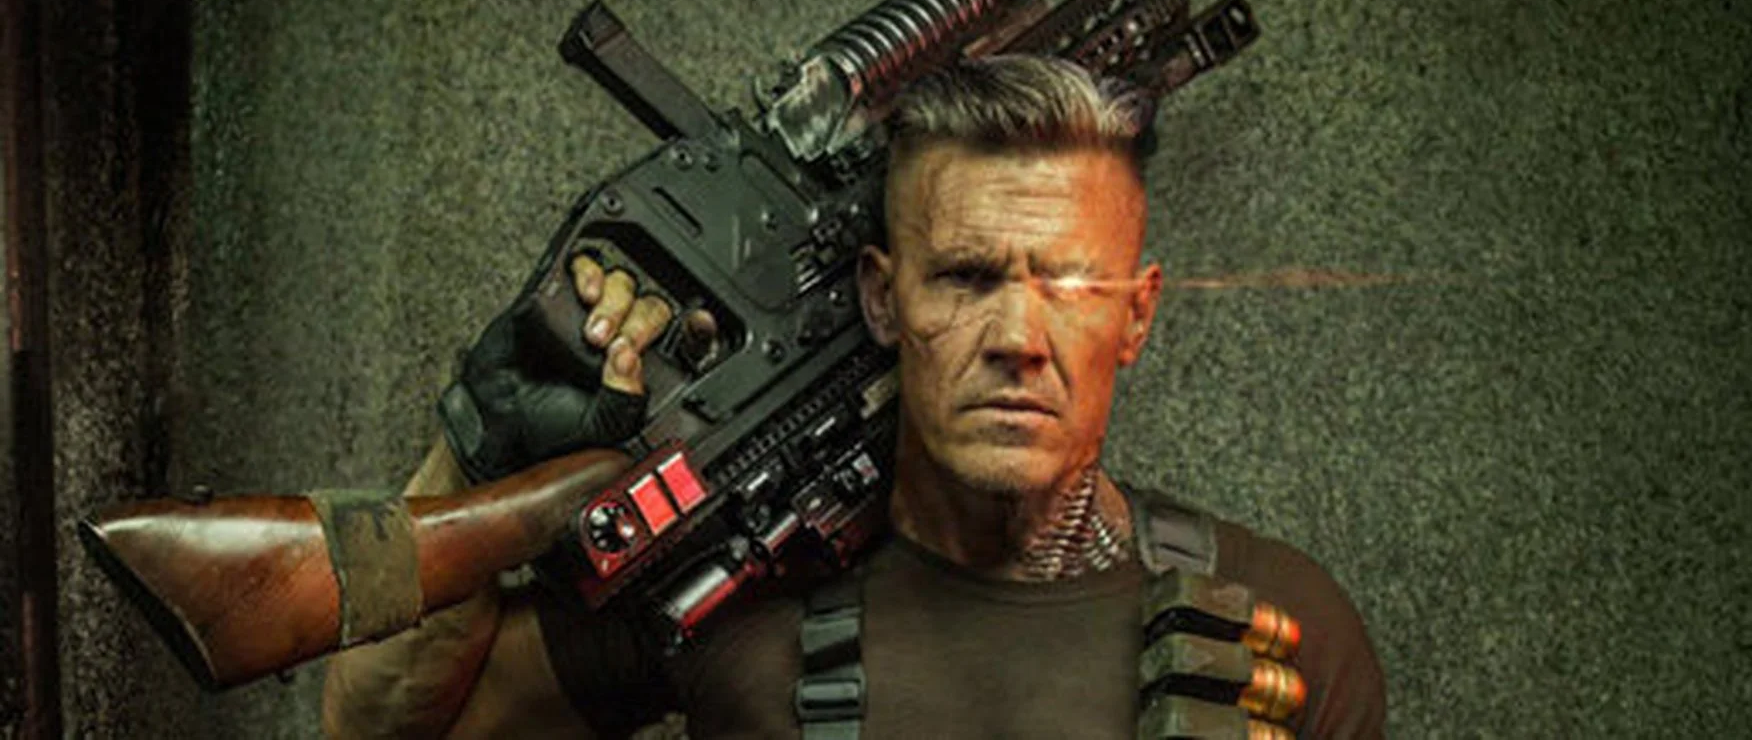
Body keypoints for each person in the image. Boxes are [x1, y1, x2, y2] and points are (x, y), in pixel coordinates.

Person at [321, 55, 1386, 738]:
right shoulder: (737, 601)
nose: (1017, 340)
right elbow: (380, 729)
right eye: (964, 277)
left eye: (1068, 285)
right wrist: (471, 449)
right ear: (883, 296)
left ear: (1136, 313)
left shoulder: (1270, 619)